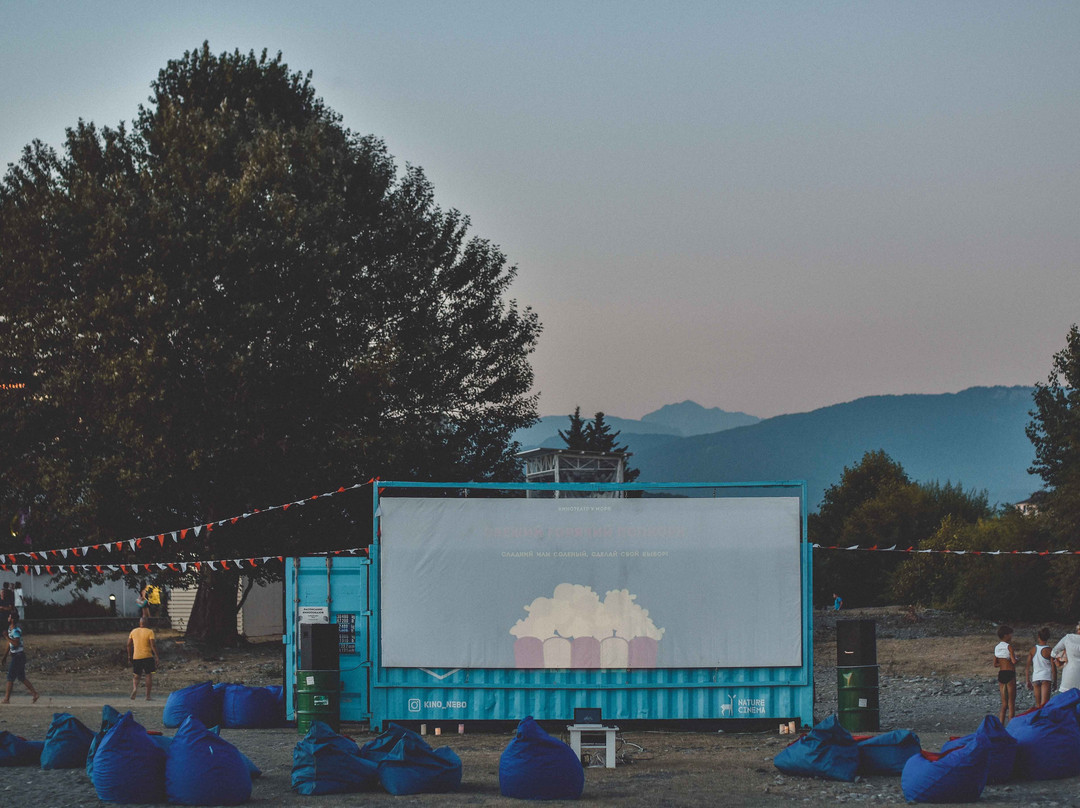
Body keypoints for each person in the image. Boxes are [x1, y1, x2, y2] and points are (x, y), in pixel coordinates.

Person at [1, 611, 40, 703]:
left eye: (9, 617)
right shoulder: (10, 629)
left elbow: (16, 643)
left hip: (18, 657)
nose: (8, 618)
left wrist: (6, 637)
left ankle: (7, 699)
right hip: (17, 656)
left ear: (12, 619)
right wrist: (5, 656)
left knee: (10, 677)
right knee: (21, 677)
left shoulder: (16, 630)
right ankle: (35, 694)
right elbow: (9, 644)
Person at [127, 617, 159, 700]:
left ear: (139, 623)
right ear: (147, 623)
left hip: (136, 657)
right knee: (148, 675)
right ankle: (148, 696)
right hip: (148, 656)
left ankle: (135, 688)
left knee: (136, 675)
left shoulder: (133, 631)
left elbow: (128, 645)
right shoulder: (150, 632)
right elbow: (153, 645)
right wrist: (156, 656)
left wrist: (129, 656)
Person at [994, 624, 1018, 724]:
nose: (1011, 636)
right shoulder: (1009, 647)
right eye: (1010, 634)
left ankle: (1000, 726)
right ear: (1006, 635)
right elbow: (1013, 661)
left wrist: (1003, 662)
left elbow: (995, 664)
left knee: (1004, 704)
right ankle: (1011, 727)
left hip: (1001, 673)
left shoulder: (997, 647)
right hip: (1010, 673)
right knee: (1011, 702)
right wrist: (1017, 659)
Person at [1027, 627, 1056, 708]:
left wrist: (1027, 680)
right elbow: (1054, 668)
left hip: (1036, 677)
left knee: (1038, 705)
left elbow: (1027, 667)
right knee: (1045, 705)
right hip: (1046, 677)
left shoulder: (1033, 649)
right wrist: (1055, 681)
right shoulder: (1049, 650)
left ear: (1038, 637)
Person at [1051, 622, 1080, 692]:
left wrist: (1062, 657)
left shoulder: (1068, 638)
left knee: (1067, 701)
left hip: (1069, 676)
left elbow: (1053, 653)